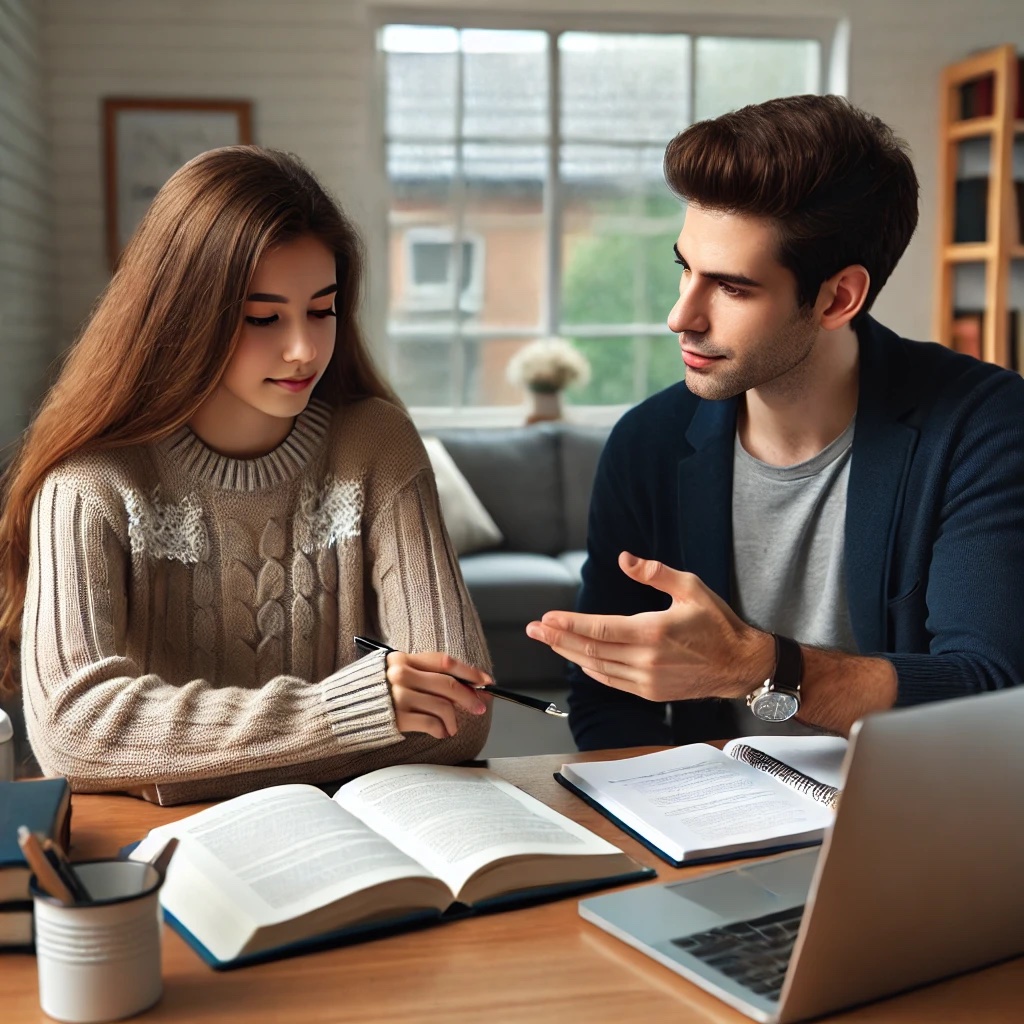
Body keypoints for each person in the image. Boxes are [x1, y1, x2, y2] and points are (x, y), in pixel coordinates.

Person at [526, 94, 1024, 750]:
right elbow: (606, 697)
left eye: (731, 287)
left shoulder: (983, 426)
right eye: (685, 269)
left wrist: (759, 666)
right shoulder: (646, 443)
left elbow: (991, 689)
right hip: (708, 827)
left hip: (912, 824)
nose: (682, 315)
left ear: (837, 297)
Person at [0, 145, 493, 804]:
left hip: (346, 841)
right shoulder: (89, 484)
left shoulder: (377, 444)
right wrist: (344, 715)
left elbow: (459, 714)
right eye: (264, 318)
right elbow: (70, 732)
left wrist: (165, 767)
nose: (303, 349)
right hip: (164, 856)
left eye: (322, 310)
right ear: (185, 315)